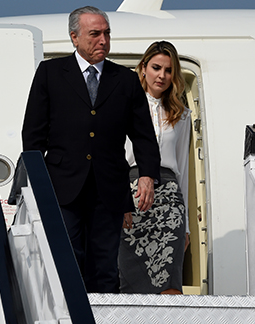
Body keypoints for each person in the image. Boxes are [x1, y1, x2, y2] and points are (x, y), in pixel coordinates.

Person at [21, 6, 161, 293]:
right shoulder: (50, 73)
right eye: (94, 34)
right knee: (68, 260)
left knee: (104, 265)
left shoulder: (125, 79)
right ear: (74, 37)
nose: (103, 41)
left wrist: (147, 174)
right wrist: (37, 181)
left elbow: (144, 136)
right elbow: (33, 134)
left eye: (107, 34)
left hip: (108, 188)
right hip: (62, 185)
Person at [119, 41, 191, 295]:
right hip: (132, 195)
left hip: (170, 202)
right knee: (127, 280)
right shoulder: (123, 107)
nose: (162, 75)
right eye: (156, 67)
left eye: (168, 70)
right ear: (143, 69)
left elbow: (182, 168)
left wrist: (187, 227)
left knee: (169, 283)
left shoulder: (182, 115)